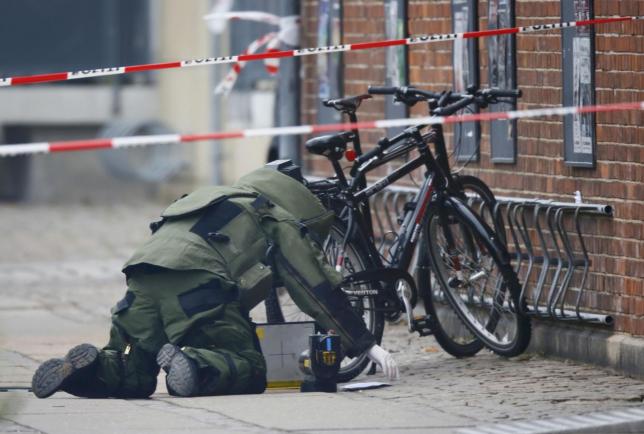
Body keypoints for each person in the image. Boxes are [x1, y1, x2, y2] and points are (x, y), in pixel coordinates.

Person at [32, 164, 399, 399]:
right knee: (249, 366)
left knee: (133, 366)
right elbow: (313, 285)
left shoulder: (206, 199)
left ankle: (91, 368)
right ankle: (194, 362)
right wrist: (365, 344)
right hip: (197, 294)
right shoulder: (273, 214)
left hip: (140, 287)